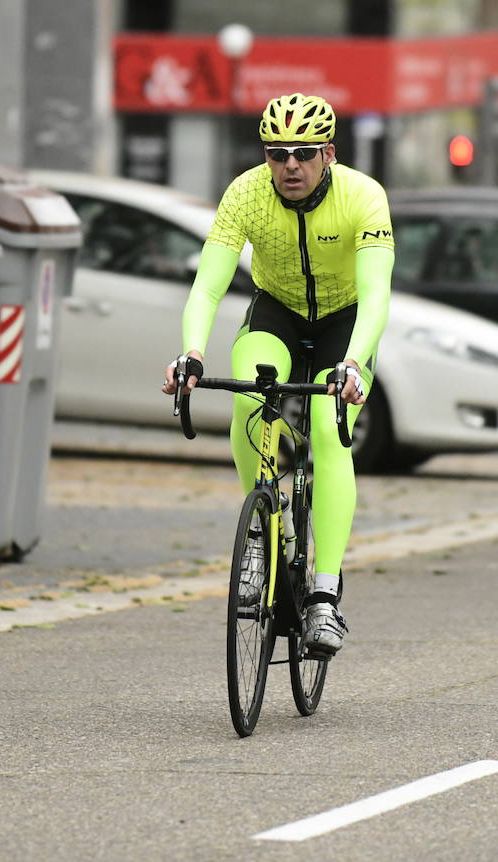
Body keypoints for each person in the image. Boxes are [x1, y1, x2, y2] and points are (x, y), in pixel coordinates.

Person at [161, 92, 393, 656]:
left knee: (328, 426)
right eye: (277, 152)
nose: (290, 164)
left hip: (344, 323)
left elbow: (376, 293)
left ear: (329, 154)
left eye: (304, 153)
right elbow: (209, 285)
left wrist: (354, 363)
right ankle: (262, 540)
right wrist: (191, 352)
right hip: (277, 312)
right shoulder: (245, 193)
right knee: (249, 401)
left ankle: (323, 596)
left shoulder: (364, 196)